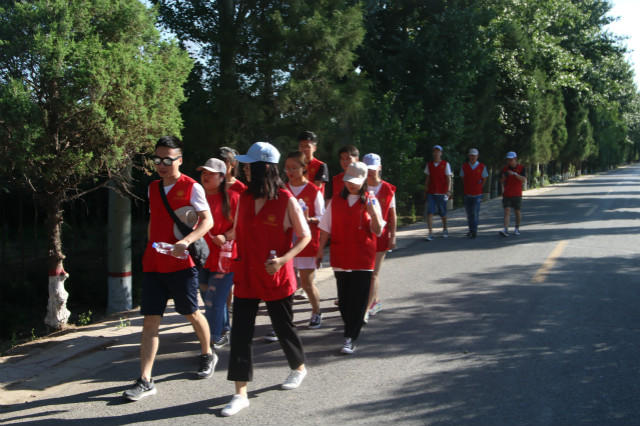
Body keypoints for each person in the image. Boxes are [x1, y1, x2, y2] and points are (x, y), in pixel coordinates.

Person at [220, 142, 311, 417]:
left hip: (275, 275)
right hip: (246, 274)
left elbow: (305, 235)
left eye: (250, 165)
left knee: (283, 327)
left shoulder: (286, 200)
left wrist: (284, 260)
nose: (245, 169)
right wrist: (224, 241)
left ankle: (298, 367)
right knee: (240, 334)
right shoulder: (244, 198)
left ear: (265, 168)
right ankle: (240, 393)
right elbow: (237, 230)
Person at [123, 136, 215, 402]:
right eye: (158, 159)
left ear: (179, 160)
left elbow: (207, 221)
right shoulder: (152, 187)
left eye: (168, 160)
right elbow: (155, 220)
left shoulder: (191, 187)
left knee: (191, 312)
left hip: (181, 265)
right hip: (154, 264)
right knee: (150, 321)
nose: (162, 165)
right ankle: (145, 379)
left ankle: (207, 353)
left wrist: (185, 241)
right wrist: (150, 246)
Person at [317, 162, 384, 355]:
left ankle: (350, 336)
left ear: (364, 181)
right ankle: (350, 326)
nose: (351, 185)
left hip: (363, 258)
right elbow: (325, 228)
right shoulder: (336, 201)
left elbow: (378, 231)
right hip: (341, 258)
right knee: (345, 301)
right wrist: (320, 249)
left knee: (358, 299)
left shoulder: (371, 201)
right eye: (348, 181)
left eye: (355, 182)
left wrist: (374, 215)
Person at [197, 158, 240, 350]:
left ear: (222, 177)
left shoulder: (233, 198)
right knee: (211, 299)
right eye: (204, 173)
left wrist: (225, 235)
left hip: (225, 258)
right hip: (200, 257)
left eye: (210, 173)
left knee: (213, 301)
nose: (205, 176)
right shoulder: (195, 196)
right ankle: (223, 331)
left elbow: (242, 227)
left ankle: (212, 340)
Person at [284, 151, 325, 328]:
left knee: (307, 284)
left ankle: (316, 312)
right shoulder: (282, 189)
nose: (290, 171)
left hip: (306, 242)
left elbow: (323, 218)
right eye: (287, 168)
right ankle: (284, 321)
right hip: (285, 243)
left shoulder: (314, 191)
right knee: (286, 285)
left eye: (294, 167)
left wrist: (309, 220)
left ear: (304, 168)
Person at [362, 153, 396, 323]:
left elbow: (392, 215)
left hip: (381, 236)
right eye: (367, 169)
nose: (370, 173)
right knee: (364, 272)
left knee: (373, 273)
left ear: (379, 168)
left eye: (373, 170)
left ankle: (367, 308)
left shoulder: (388, 189)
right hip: (362, 236)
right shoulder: (358, 186)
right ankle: (375, 300)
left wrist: (393, 236)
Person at [423, 145, 452, 241]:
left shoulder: (445, 164)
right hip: (431, 192)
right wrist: (425, 190)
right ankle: (430, 233)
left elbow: (448, 178)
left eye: (438, 152)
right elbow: (428, 178)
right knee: (430, 212)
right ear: (432, 153)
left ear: (441, 153)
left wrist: (448, 190)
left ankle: (445, 228)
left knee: (442, 212)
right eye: (435, 152)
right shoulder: (429, 165)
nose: (436, 153)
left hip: (442, 192)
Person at [460, 148, 488, 238]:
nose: (472, 157)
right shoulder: (464, 166)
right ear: (469, 156)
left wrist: (479, 187)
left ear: (477, 156)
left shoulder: (482, 166)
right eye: (471, 155)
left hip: (477, 194)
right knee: (469, 213)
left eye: (474, 156)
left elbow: (484, 179)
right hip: (467, 193)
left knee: (475, 212)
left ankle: (474, 230)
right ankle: (471, 229)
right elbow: (463, 178)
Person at [500, 151, 527, 237]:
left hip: (517, 193)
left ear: (515, 159)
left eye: (511, 159)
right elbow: (500, 181)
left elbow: (524, 179)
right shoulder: (504, 169)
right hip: (507, 194)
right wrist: (504, 178)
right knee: (507, 211)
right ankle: (505, 229)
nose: (510, 161)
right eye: (508, 160)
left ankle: (517, 228)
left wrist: (514, 174)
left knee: (517, 211)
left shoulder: (522, 168)